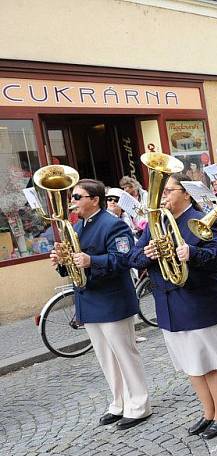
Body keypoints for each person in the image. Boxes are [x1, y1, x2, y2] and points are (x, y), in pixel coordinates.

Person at [128, 177, 217, 438]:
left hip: (202, 302)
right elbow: (131, 256)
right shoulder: (157, 224)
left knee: (213, 362)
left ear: (186, 195)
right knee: (190, 363)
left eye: (168, 191)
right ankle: (207, 412)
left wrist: (193, 253)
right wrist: (148, 255)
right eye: (161, 191)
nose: (162, 196)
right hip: (169, 303)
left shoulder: (202, 218)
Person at [50, 179, 151, 429]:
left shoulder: (113, 224)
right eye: (72, 197)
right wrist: (62, 262)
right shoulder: (78, 227)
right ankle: (119, 403)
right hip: (90, 299)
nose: (71, 202)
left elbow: (124, 259)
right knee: (106, 357)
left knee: (125, 355)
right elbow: (76, 264)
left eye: (76, 197)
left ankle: (139, 404)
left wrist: (90, 260)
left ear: (94, 200)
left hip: (112, 300)